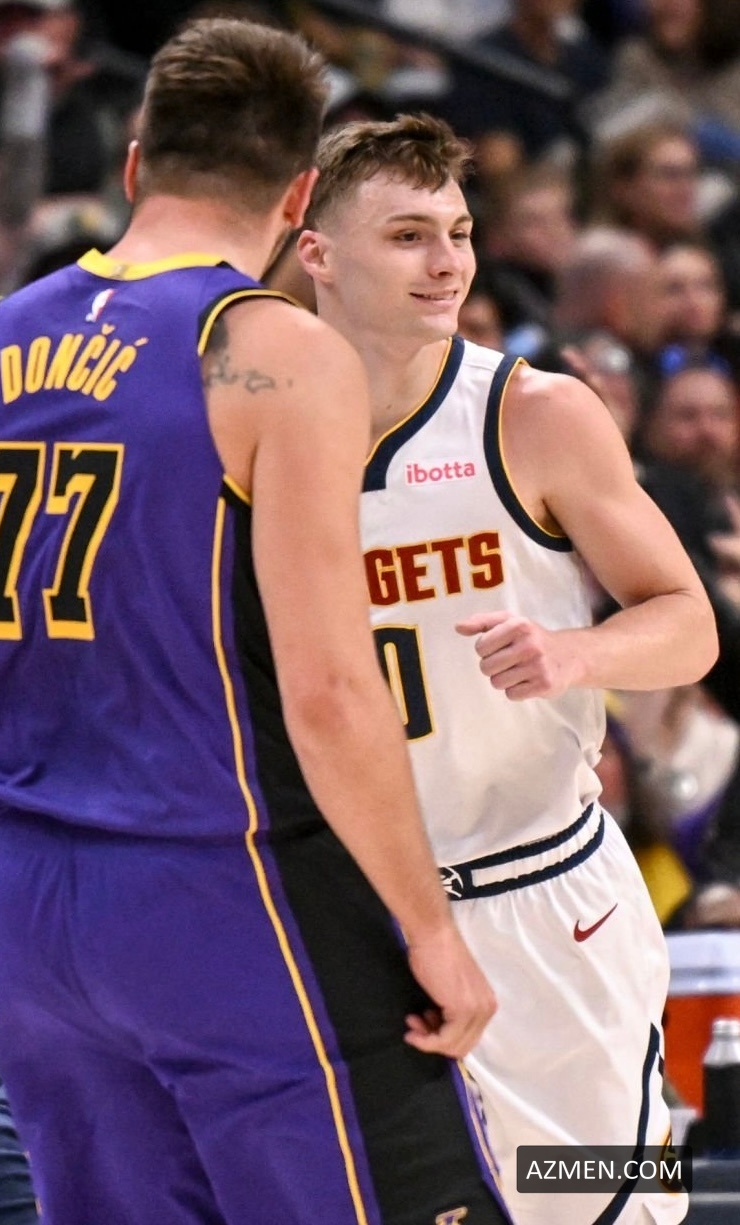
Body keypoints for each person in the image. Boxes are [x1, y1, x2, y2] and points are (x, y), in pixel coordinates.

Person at [0, 18, 510, 1225]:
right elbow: (329, 693)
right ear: (300, 194)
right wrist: (429, 928)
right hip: (225, 887)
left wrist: (33, 837)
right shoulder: (270, 349)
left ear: (133, 164)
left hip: (34, 908)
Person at [297, 111, 718, 1225]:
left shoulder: (535, 414)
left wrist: (577, 650)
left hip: (539, 902)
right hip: (352, 919)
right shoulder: (254, 437)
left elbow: (691, 623)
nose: (447, 262)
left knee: (601, 1206)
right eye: (408, 235)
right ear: (316, 252)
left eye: (459, 232)